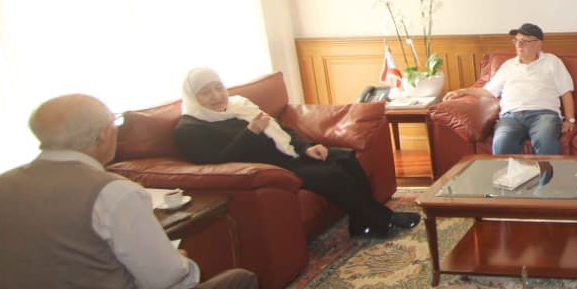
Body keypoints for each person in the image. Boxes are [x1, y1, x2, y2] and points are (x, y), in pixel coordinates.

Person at [0, 94, 259, 289]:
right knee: (239, 280)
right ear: (104, 134)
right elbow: (167, 280)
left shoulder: (1, 186)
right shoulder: (113, 192)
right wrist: (179, 261)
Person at [174, 68, 419, 238]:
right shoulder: (190, 129)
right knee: (333, 175)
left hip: (290, 153)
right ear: (192, 97)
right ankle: (384, 219)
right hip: (270, 169)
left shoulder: (239, 105)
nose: (216, 96)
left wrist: (306, 146)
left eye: (218, 87)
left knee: (346, 158)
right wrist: (250, 133)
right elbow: (217, 164)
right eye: (206, 92)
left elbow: (280, 129)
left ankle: (361, 224)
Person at [443, 22, 576, 156]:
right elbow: (489, 91)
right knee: (501, 143)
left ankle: (545, 171)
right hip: (512, 117)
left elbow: (566, 91)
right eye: (517, 40)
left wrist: (570, 119)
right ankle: (510, 171)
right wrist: (463, 91)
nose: (519, 45)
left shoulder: (552, 62)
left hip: (544, 115)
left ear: (538, 44)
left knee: (546, 142)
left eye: (524, 41)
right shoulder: (508, 66)